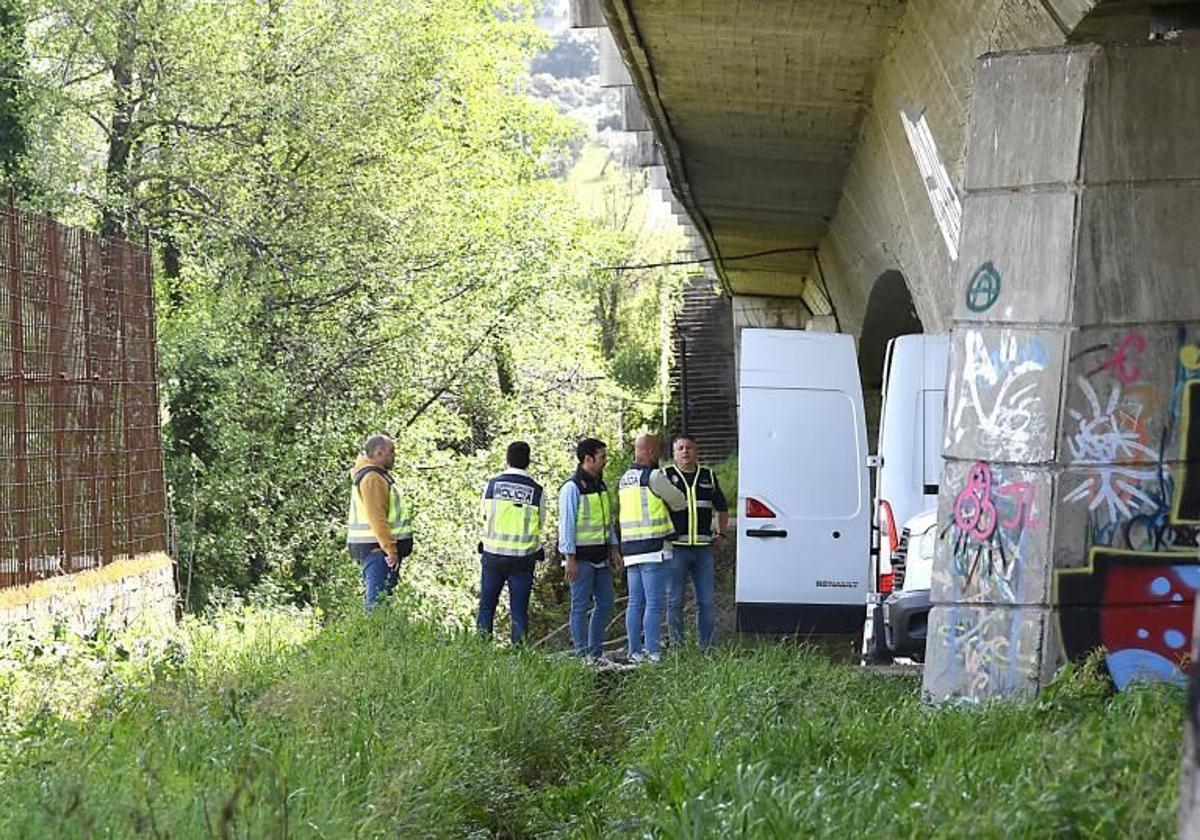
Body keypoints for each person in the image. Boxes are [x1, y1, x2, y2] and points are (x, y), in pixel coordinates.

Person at [617, 434, 686, 663]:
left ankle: (634, 652)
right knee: (654, 604)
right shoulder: (654, 476)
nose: (658, 455)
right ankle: (653, 652)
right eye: (656, 450)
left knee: (635, 603)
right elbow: (679, 500)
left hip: (631, 550)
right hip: (654, 548)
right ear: (648, 452)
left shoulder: (624, 479)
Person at [664, 435, 729, 649]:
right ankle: (677, 648)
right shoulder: (665, 476)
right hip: (676, 549)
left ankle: (707, 647)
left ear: (696, 451)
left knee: (707, 601)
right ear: (674, 453)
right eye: (680, 448)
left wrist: (721, 535)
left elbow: (722, 508)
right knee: (674, 601)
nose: (685, 452)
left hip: (703, 549)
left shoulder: (708, 475)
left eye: (689, 448)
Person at [559, 437, 621, 659]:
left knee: (605, 603)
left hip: (601, 556)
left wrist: (614, 548)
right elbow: (566, 524)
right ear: (588, 459)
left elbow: (607, 520)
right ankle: (582, 654)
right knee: (580, 607)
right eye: (602, 457)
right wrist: (570, 558)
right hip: (581, 559)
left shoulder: (601, 485)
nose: (605, 461)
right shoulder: (572, 488)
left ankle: (595, 652)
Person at [477, 441, 545, 643]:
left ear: (507, 459)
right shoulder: (536, 491)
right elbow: (540, 522)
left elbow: (483, 515)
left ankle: (480, 651)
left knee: (487, 606)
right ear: (528, 462)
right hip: (522, 559)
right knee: (519, 611)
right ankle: (519, 657)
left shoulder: (492, 485)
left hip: (493, 555)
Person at [346, 434, 413, 612]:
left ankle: (376, 638)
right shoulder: (373, 479)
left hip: (378, 551)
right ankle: (374, 639)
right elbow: (377, 517)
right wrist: (390, 549)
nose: (394, 455)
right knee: (377, 608)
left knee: (379, 605)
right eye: (391, 451)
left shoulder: (374, 476)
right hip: (379, 552)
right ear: (379, 452)